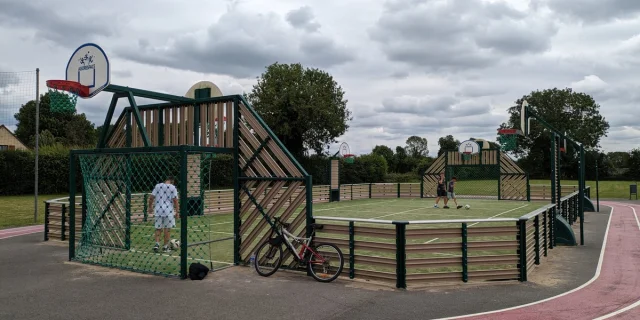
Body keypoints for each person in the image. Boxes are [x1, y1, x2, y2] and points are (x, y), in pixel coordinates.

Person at [148, 176, 179, 253]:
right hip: (168, 211)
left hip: (158, 210)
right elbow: (175, 200)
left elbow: (151, 197)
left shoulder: (158, 186)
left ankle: (157, 244)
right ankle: (165, 247)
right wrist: (177, 211)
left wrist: (150, 207)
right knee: (167, 229)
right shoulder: (173, 187)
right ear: (172, 181)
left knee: (158, 228)